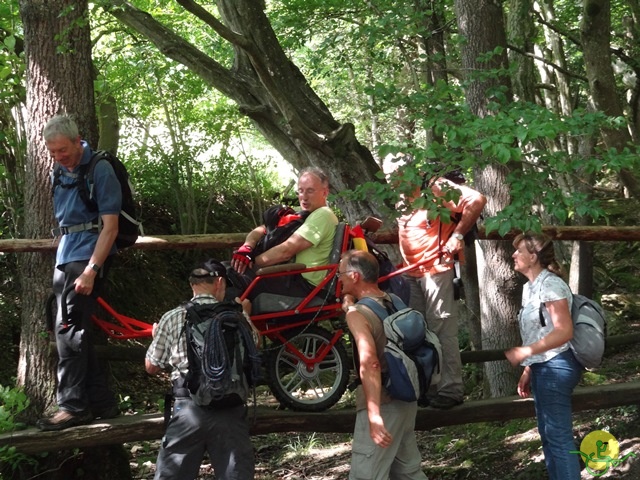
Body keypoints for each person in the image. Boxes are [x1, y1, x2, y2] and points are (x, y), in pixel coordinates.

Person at [37, 115, 121, 431]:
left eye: (63, 150)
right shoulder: (59, 169)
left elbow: (110, 228)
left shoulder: (100, 169)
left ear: (78, 140)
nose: (59, 157)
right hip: (68, 253)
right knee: (67, 324)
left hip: (89, 255)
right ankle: (102, 402)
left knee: (68, 329)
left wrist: (91, 270)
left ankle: (72, 406)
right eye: (53, 152)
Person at [145, 259, 257, 480]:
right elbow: (256, 343)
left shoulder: (173, 317)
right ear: (218, 283)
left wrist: (156, 336)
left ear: (192, 285)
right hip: (230, 408)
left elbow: (151, 367)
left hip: (187, 409)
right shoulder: (236, 316)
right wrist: (247, 315)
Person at [396, 170, 486, 409]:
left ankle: (451, 389)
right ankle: (426, 388)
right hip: (411, 272)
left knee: (441, 328)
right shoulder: (399, 197)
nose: (392, 179)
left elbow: (476, 200)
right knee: (416, 331)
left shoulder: (435, 187)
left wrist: (457, 235)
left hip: (437, 269)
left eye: (397, 172)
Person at [339, 249, 428, 480]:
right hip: (406, 398)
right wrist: (349, 305)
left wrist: (374, 414)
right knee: (409, 472)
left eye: (341, 274)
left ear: (355, 276)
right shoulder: (394, 301)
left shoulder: (358, 314)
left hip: (384, 403)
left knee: (365, 475)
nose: (339, 278)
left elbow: (370, 363)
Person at [505, 232, 582, 480]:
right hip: (542, 368)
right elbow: (539, 331)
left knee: (559, 439)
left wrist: (525, 352)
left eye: (519, 250)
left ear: (534, 256)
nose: (513, 254)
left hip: (557, 366)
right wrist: (528, 369)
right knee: (548, 435)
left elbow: (564, 331)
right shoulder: (530, 287)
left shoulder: (551, 284)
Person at [230, 166, 338, 299]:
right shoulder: (303, 213)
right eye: (300, 191)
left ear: (325, 192)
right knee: (223, 271)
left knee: (231, 278)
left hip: (306, 287)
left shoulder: (323, 214)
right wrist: (246, 248)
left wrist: (251, 262)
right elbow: (262, 229)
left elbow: (285, 252)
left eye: (310, 191)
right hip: (290, 276)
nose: (304, 197)